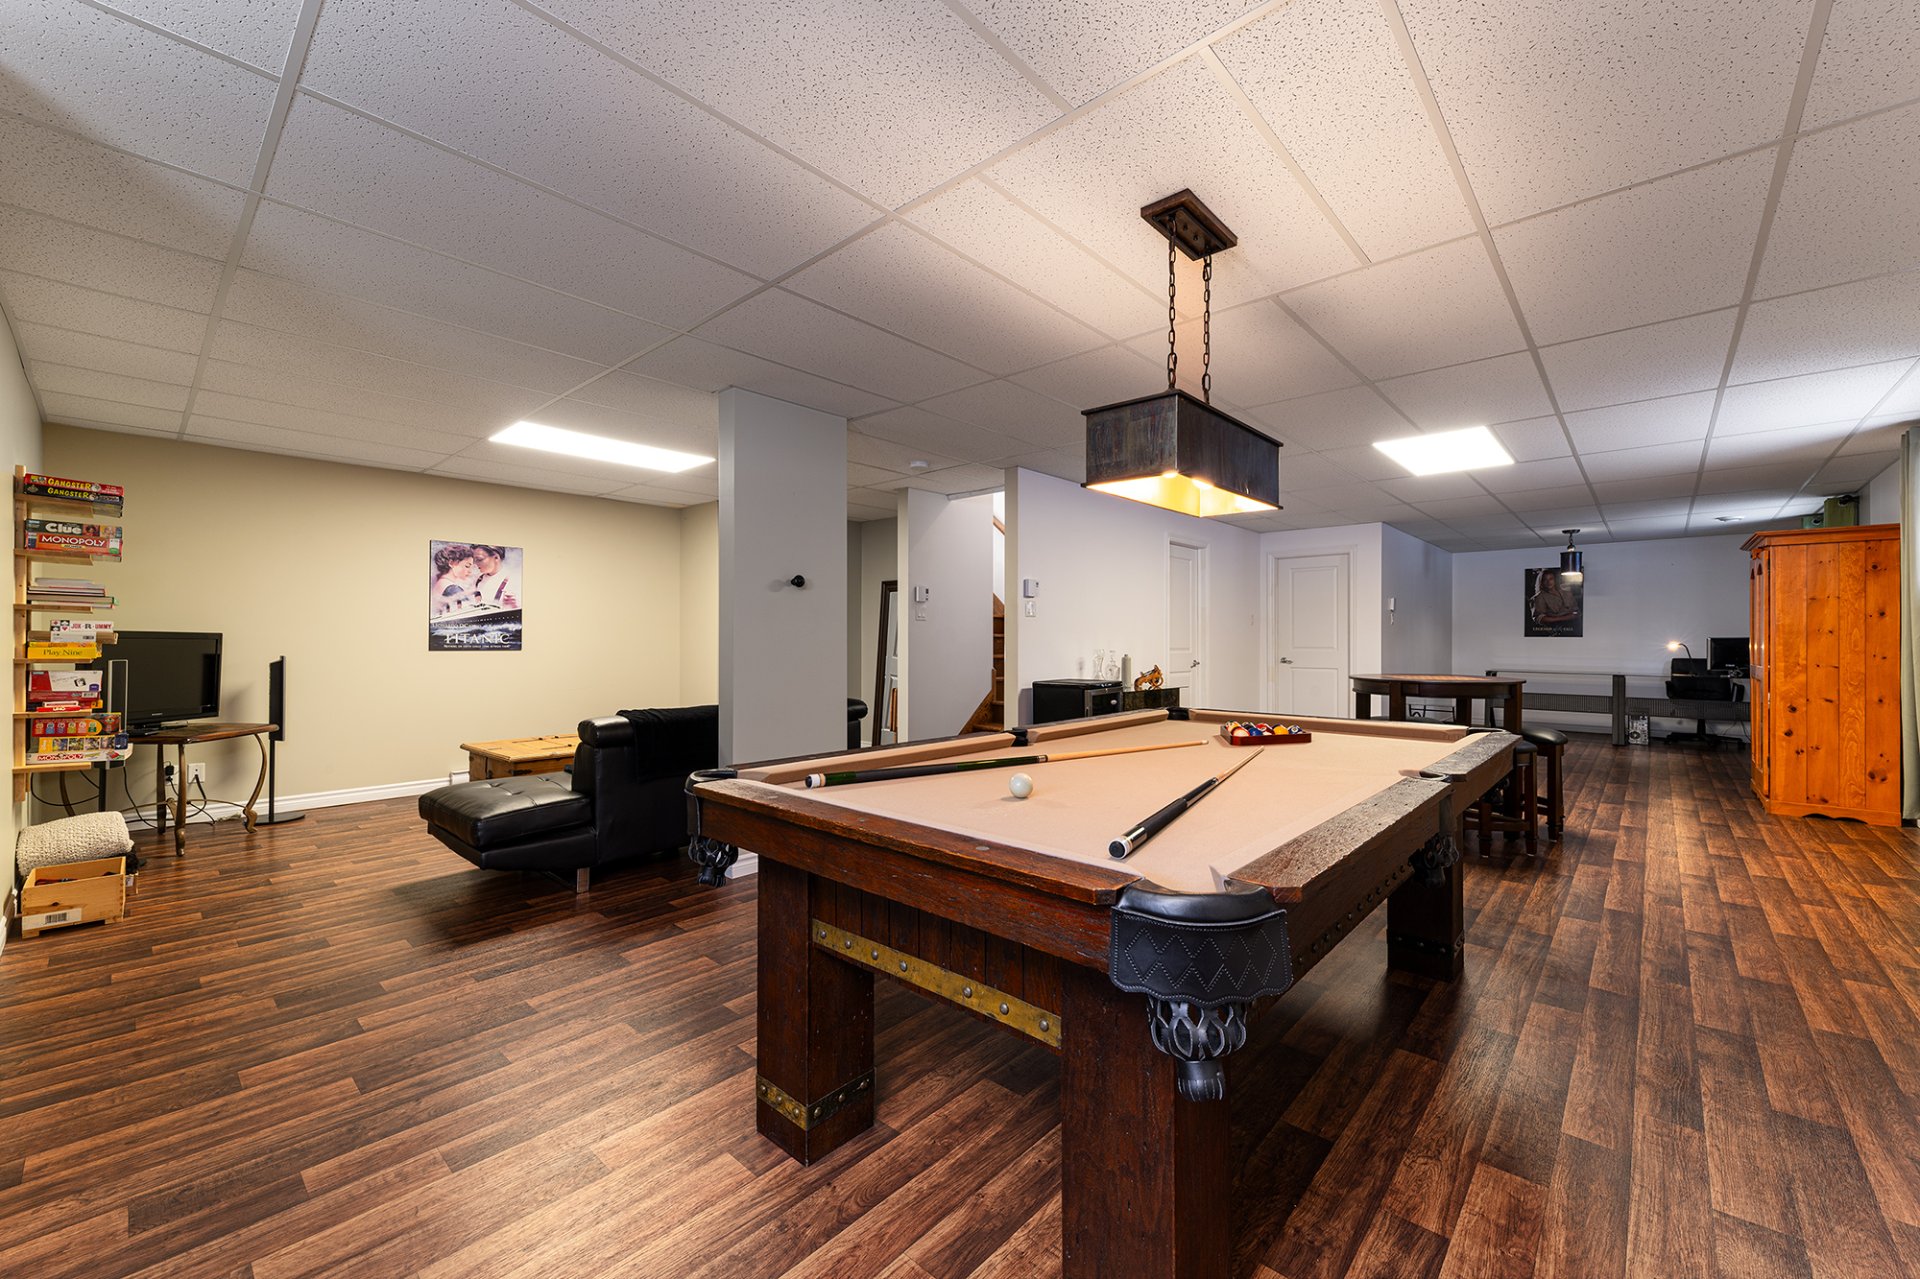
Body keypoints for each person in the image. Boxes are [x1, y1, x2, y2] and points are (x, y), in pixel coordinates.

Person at [430, 543, 479, 615]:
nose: (470, 571)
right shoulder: (452, 588)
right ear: (451, 563)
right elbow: (471, 613)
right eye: (467, 566)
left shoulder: (441, 582)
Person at [471, 544, 520, 610]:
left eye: (479, 559)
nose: (475, 564)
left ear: (496, 558)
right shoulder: (477, 579)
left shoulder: (514, 580)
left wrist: (515, 606)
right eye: (474, 560)